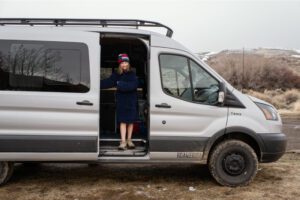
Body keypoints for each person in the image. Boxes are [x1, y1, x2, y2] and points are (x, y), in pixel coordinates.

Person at [101, 53, 139, 150]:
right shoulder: (117, 74)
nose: (124, 64)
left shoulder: (132, 74)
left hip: (131, 101)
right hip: (121, 101)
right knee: (122, 121)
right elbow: (108, 82)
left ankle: (129, 140)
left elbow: (133, 86)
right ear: (119, 64)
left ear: (128, 63)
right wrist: (95, 83)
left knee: (130, 122)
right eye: (122, 63)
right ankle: (123, 141)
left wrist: (120, 84)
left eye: (126, 62)